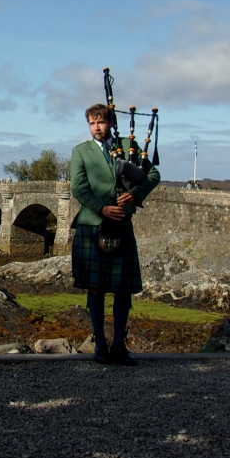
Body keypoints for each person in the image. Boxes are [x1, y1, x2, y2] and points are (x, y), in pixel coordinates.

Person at [70, 103, 161, 365]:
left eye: (100, 122)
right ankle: (100, 344)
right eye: (91, 123)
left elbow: (153, 173)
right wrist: (102, 208)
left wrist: (135, 194)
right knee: (96, 288)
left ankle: (119, 344)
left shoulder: (127, 146)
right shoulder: (81, 152)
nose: (96, 128)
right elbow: (78, 188)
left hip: (121, 223)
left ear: (110, 122)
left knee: (123, 290)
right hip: (92, 224)